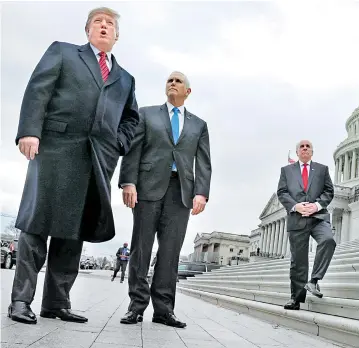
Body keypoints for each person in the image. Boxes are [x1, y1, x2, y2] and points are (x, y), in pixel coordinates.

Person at [8, 7, 139, 325]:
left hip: (96, 159)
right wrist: (29, 130)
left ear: (117, 35)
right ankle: (21, 300)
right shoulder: (64, 52)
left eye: (110, 24)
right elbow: (39, 89)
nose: (104, 27)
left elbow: (131, 120)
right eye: (98, 22)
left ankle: (56, 302)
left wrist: (116, 145)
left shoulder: (126, 78)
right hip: (55, 147)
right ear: (88, 30)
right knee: (36, 223)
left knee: (74, 228)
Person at [118, 71, 212, 328]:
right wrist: (129, 182)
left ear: (188, 92)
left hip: (180, 192)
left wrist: (201, 193)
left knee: (170, 252)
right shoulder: (147, 114)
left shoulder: (199, 125)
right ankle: (136, 306)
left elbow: (203, 162)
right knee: (141, 248)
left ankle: (163, 309)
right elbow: (133, 150)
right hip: (147, 189)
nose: (173, 83)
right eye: (169, 80)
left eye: (178, 81)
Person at [277, 140, 336, 310]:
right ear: (297, 152)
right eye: (301, 146)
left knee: (328, 240)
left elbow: (329, 191)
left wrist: (316, 205)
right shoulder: (286, 171)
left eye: (308, 146)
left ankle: (314, 281)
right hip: (297, 218)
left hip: (318, 217)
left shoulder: (322, 169)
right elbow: (282, 192)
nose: (304, 148)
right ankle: (296, 300)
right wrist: (296, 206)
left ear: (312, 151)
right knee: (298, 262)